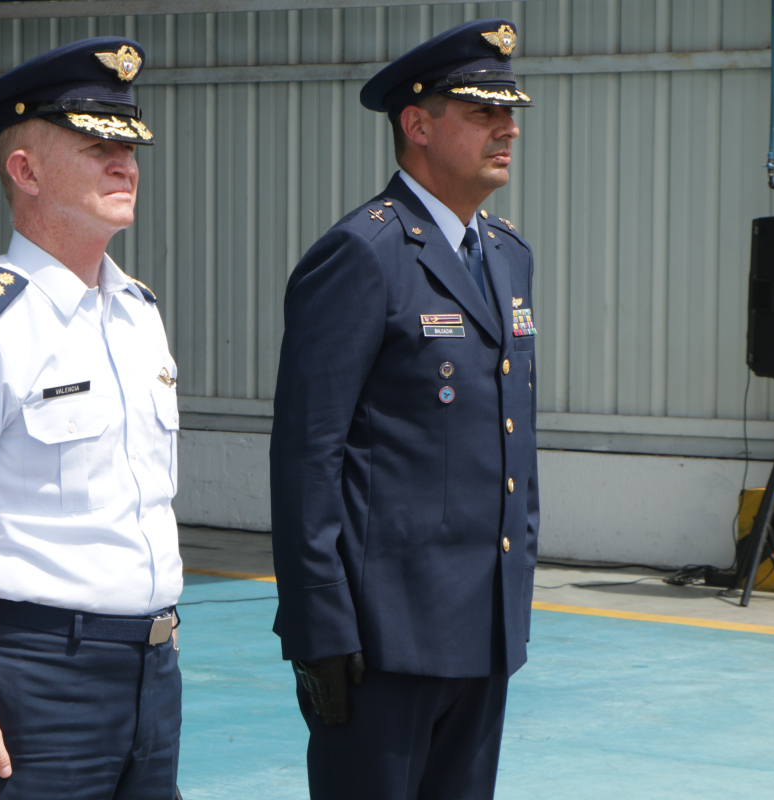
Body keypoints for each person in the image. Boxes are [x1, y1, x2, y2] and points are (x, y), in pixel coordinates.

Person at [0, 37, 183, 800]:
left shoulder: (137, 314)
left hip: (153, 669)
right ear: (25, 172)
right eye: (97, 147)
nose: (125, 165)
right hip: (37, 680)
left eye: (130, 148)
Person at [268, 18, 540, 800]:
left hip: (483, 629)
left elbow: (510, 439)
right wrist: (319, 627)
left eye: (509, 111)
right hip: (383, 642)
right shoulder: (364, 253)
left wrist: (510, 609)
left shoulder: (508, 255)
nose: (507, 127)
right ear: (417, 125)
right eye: (484, 111)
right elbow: (307, 454)